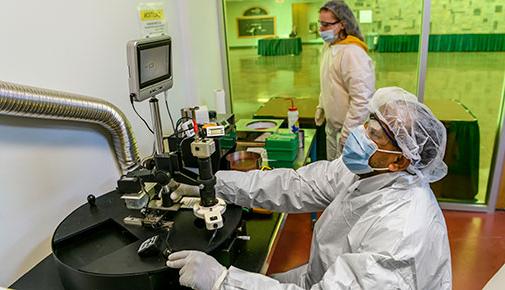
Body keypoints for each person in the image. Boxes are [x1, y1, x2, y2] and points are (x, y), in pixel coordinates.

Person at [167, 87, 452, 290]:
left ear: (399, 160)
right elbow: (298, 185)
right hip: (322, 277)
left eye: (374, 134)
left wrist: (222, 281)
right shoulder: (367, 169)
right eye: (368, 123)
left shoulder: (401, 233)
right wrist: (215, 184)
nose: (359, 134)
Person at [314, 0, 375, 160]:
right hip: (332, 128)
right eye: (320, 23)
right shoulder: (328, 47)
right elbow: (327, 83)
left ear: (342, 24)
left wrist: (348, 133)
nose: (321, 29)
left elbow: (362, 99)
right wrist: (321, 106)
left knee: (347, 177)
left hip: (349, 131)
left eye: (326, 24)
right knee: (331, 171)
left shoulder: (353, 52)